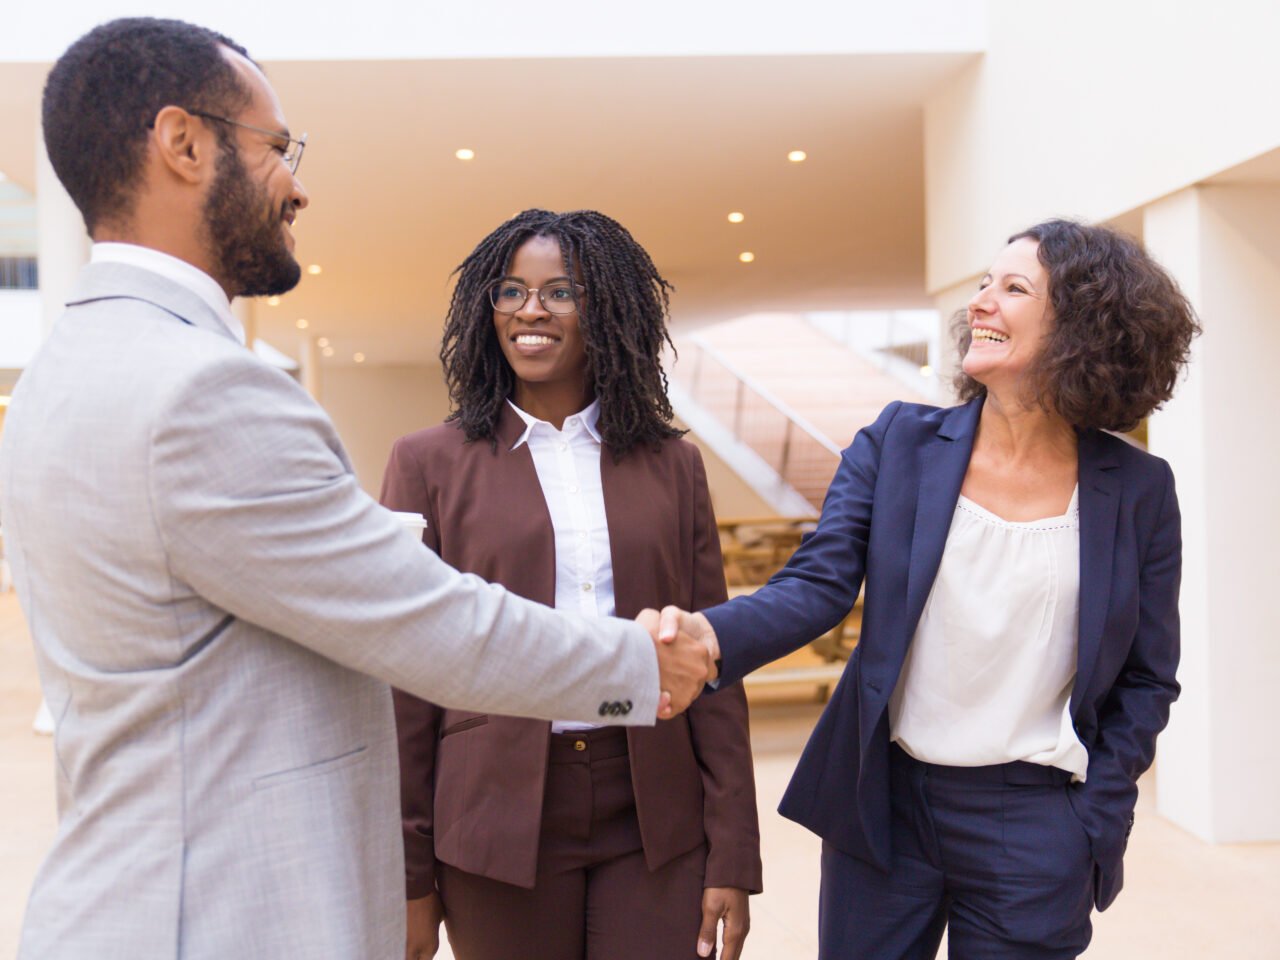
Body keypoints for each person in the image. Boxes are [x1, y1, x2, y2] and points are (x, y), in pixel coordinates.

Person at [0, 19, 711, 960]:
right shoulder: (204, 390)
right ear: (184, 143)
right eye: (277, 148)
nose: (298, 185)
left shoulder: (67, 366)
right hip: (219, 915)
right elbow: (429, 623)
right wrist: (640, 666)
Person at [658, 220, 1199, 958]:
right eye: (984, 282)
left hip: (1036, 821)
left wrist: (1096, 815)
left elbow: (1147, 675)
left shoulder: (1138, 488)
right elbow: (817, 585)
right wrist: (712, 638)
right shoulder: (898, 443)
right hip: (887, 804)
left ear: (1085, 325)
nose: (980, 302)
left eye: (1014, 288)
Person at [381, 209, 763, 960]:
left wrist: (733, 852)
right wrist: (408, 873)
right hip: (495, 814)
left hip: (655, 810)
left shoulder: (672, 465)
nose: (530, 310)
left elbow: (712, 658)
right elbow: (404, 677)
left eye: (561, 292)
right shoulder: (427, 463)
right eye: (511, 290)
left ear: (607, 310)